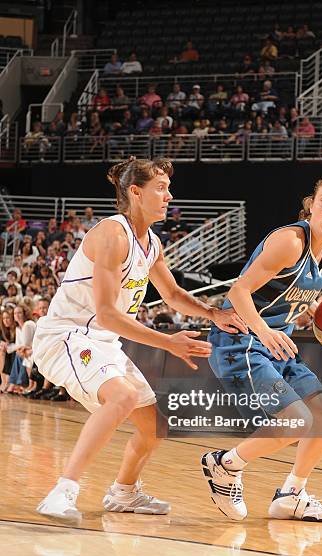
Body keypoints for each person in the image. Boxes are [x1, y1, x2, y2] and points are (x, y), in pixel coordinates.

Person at [33, 157, 246, 520]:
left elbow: (174, 294)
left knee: (154, 426)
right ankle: (61, 491)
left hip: (101, 341)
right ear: (135, 192)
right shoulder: (112, 235)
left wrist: (214, 314)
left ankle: (123, 493)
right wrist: (169, 342)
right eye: (160, 188)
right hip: (67, 335)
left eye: (167, 188)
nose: (169, 195)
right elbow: (106, 314)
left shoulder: (152, 244)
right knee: (123, 396)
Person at [202, 174, 322, 522]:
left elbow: (294, 295)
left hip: (275, 343)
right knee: (296, 422)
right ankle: (224, 465)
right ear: (311, 205)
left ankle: (291, 495)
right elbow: (239, 291)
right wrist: (262, 330)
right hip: (239, 341)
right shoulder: (290, 241)